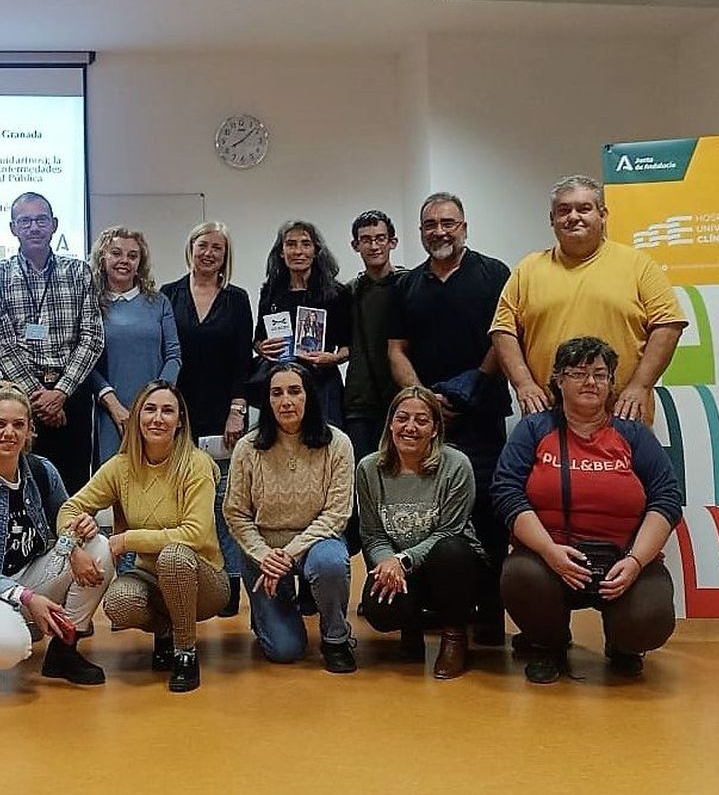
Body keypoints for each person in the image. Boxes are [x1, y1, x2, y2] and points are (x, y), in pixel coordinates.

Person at [491, 337, 683, 684]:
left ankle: (624, 645)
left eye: (600, 374)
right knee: (520, 574)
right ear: (558, 379)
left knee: (648, 619)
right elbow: (506, 491)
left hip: (622, 560)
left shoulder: (633, 433)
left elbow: (667, 497)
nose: (590, 382)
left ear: (611, 382)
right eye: (578, 373)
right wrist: (548, 551)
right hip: (550, 559)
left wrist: (636, 561)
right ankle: (548, 644)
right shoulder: (534, 429)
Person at [386, 192, 512, 644]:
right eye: (430, 225)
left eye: (448, 223)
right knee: (426, 515)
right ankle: (437, 608)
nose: (439, 231)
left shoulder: (494, 274)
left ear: (464, 227)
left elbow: (504, 338)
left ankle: (490, 613)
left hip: (481, 419)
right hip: (423, 425)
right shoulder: (406, 286)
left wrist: (469, 389)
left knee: (488, 513)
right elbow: (396, 350)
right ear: (420, 232)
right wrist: (425, 402)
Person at [0, 382, 114, 686]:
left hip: (28, 577)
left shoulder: (42, 470)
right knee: (7, 649)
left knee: (99, 547)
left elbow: (65, 521)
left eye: (18, 425)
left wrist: (77, 537)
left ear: (30, 430)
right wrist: (26, 597)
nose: (9, 433)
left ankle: (64, 650)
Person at [58, 381, 227, 692]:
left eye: (167, 411)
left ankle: (185, 652)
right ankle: (165, 631)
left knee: (174, 555)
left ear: (180, 421)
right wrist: (72, 546)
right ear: (137, 416)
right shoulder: (121, 466)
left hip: (204, 580)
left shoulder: (196, 464)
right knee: (118, 603)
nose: (157, 418)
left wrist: (126, 540)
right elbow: (70, 507)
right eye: (150, 409)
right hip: (151, 578)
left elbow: (195, 533)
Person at [491, 174, 686, 422]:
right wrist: (524, 384)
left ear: (602, 215)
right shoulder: (527, 269)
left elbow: (668, 325)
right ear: (552, 219)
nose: (573, 217)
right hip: (549, 417)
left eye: (584, 209)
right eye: (564, 210)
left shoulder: (639, 265)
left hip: (620, 414)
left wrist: (640, 386)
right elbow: (503, 331)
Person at [224, 361, 356, 672]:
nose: (286, 401)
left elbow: (337, 515)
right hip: (263, 550)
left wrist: (288, 553)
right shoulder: (247, 448)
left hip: (317, 543)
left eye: (294, 391)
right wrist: (265, 556)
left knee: (331, 562)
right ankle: (268, 615)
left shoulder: (338, 443)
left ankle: (335, 637)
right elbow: (236, 513)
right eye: (277, 393)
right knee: (285, 651)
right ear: (267, 401)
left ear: (309, 396)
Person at [355, 387, 488, 679]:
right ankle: (410, 628)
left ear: (435, 429)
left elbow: (450, 530)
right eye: (402, 418)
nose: (410, 427)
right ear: (390, 424)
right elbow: (373, 535)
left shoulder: (456, 465)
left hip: (454, 566)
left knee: (450, 550)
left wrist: (401, 560)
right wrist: (387, 564)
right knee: (379, 609)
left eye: (421, 420)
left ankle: (454, 638)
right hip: (402, 568)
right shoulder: (368, 468)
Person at [0, 192, 105, 493]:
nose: (34, 227)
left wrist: (60, 392)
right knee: (20, 485)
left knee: (74, 487)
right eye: (25, 221)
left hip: (71, 395)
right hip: (18, 398)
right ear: (13, 228)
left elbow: (92, 336)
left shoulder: (78, 272)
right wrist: (39, 398)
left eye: (41, 220)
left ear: (54, 225)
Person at [160, 222, 254, 616]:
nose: (209, 253)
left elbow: (243, 360)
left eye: (217, 248)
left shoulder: (237, 299)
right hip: (177, 415)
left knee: (224, 504)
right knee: (179, 502)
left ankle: (228, 584)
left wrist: (237, 410)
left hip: (223, 418)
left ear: (225, 255)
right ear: (191, 248)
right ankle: (183, 583)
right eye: (203, 245)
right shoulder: (168, 294)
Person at [88, 226, 182, 466]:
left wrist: (154, 402)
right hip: (111, 414)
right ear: (102, 258)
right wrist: (114, 405)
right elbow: (86, 361)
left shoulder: (159, 302)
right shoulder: (90, 304)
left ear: (140, 262)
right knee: (115, 479)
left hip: (155, 415)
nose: (124, 260)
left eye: (132, 256)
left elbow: (173, 356)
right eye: (116, 253)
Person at [255, 220, 351, 428]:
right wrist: (262, 348)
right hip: (282, 384)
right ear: (281, 252)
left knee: (326, 440)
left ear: (316, 251)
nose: (298, 251)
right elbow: (258, 340)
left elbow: (348, 347)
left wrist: (333, 358)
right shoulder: (271, 292)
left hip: (322, 383)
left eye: (305, 244)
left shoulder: (336, 293)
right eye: (291, 244)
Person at [344, 210, 403, 464]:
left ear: (392, 242)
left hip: (402, 399)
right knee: (363, 475)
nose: (374, 245)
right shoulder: (348, 292)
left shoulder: (409, 285)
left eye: (380, 238)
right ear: (355, 245)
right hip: (360, 404)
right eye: (366, 240)